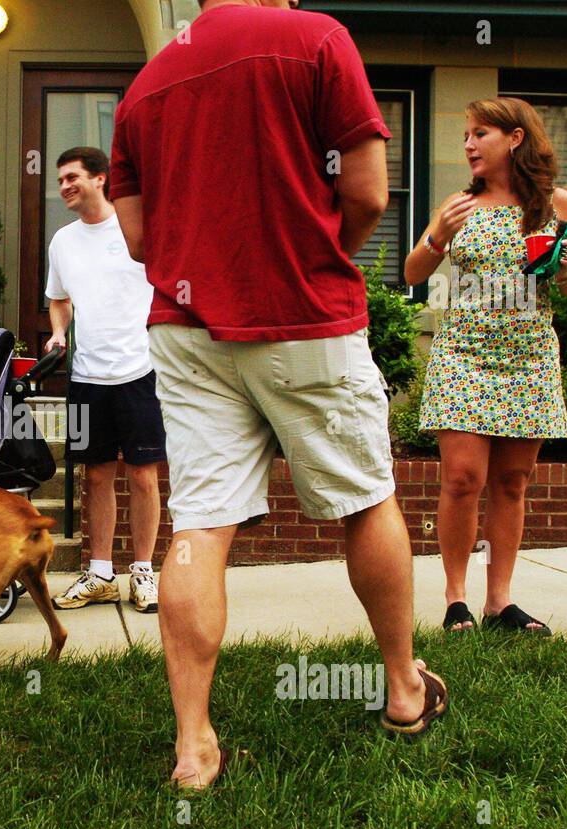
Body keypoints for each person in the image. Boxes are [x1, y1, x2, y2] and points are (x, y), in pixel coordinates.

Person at [111, 0, 448, 787]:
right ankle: (403, 688)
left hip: (187, 327)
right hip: (306, 317)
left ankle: (194, 745)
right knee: (365, 500)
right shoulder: (316, 39)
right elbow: (367, 192)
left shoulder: (146, 85)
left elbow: (136, 238)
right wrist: (316, 259)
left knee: (198, 523)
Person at [404, 97, 567, 637]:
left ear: (514, 139)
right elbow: (416, 271)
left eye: (478, 133)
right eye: (465, 134)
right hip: (465, 354)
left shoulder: (556, 204)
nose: (467, 144)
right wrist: (438, 231)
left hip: (528, 355)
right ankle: (456, 599)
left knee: (512, 481)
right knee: (463, 479)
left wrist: (560, 270)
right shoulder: (458, 204)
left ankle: (500, 602)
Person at [43, 146, 164, 614]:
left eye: (72, 177)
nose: (64, 187)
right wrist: (58, 332)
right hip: (87, 376)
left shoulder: (136, 227)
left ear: (99, 179)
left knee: (144, 475)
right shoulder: (62, 242)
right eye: (59, 180)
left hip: (141, 370)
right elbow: (59, 298)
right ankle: (99, 573)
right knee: (95, 476)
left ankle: (143, 573)